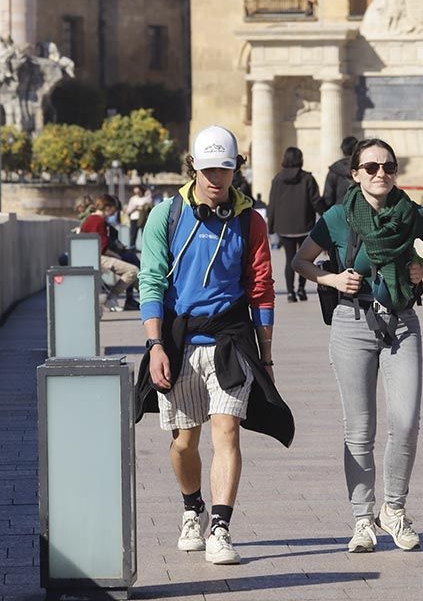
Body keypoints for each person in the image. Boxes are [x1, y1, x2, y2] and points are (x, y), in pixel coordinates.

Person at [134, 125, 294, 566]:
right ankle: (193, 509)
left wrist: (266, 355)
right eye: (207, 169)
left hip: (231, 340)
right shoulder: (165, 215)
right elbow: (150, 280)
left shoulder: (250, 220)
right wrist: (154, 346)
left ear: (235, 169)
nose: (214, 179)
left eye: (223, 169)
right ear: (193, 167)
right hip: (179, 340)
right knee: (185, 441)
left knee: (227, 431)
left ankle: (220, 528)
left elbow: (261, 287)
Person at [292, 138, 423, 553]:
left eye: (389, 167)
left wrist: (420, 272)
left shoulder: (411, 213)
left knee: (406, 421)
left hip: (402, 321)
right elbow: (301, 260)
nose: (382, 174)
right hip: (351, 320)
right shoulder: (337, 218)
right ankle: (362, 519)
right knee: (359, 430)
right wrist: (331, 279)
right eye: (372, 167)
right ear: (355, 173)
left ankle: (393, 511)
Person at [267, 147, 326, 303]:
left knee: (289, 259)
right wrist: (326, 213)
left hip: (284, 227)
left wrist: (271, 226)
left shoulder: (277, 178)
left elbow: (272, 204)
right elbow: (315, 202)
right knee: (305, 259)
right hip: (304, 225)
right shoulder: (307, 178)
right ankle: (301, 289)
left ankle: (290, 292)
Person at [79, 194, 140, 313]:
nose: (115, 212)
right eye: (114, 208)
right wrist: (117, 256)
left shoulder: (91, 219)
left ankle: (144, 296)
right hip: (97, 257)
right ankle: (112, 298)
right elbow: (102, 247)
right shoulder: (98, 220)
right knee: (132, 270)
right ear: (107, 207)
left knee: (131, 261)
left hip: (92, 255)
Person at [321, 135, 359, 208]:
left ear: (343, 151)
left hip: (339, 212)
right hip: (360, 211)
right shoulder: (363, 169)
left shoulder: (334, 170)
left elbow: (328, 198)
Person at [125, 184, 153, 250]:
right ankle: (132, 247)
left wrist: (148, 194)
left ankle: (146, 248)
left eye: (138, 192)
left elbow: (151, 204)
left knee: (144, 234)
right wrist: (136, 208)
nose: (137, 194)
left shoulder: (146, 198)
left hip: (144, 218)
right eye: (136, 192)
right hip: (134, 218)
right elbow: (128, 210)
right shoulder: (133, 199)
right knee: (133, 234)